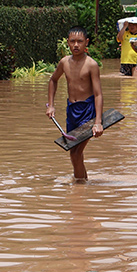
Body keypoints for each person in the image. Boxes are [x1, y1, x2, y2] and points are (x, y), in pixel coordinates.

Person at [46, 27, 104, 181]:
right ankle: (83, 183)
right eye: (72, 41)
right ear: (68, 43)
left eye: (80, 41)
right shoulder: (64, 62)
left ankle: (79, 189)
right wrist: (51, 105)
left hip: (87, 111)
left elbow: (98, 94)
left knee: (76, 153)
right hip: (72, 111)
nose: (76, 45)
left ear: (86, 42)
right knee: (75, 152)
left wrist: (98, 122)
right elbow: (53, 80)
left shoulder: (92, 65)